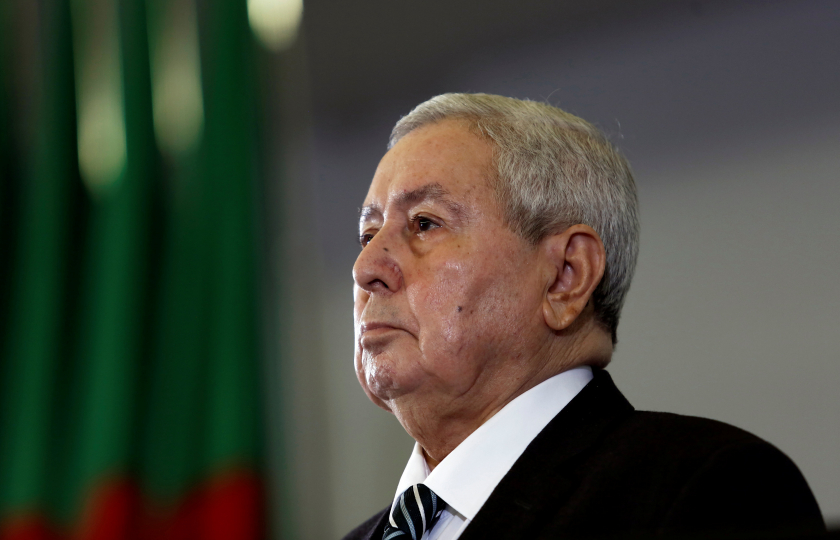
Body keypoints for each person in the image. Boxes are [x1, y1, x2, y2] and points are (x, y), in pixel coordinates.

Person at [343, 93, 824, 540]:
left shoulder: (709, 491)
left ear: (566, 276)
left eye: (424, 224)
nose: (366, 268)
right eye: (368, 235)